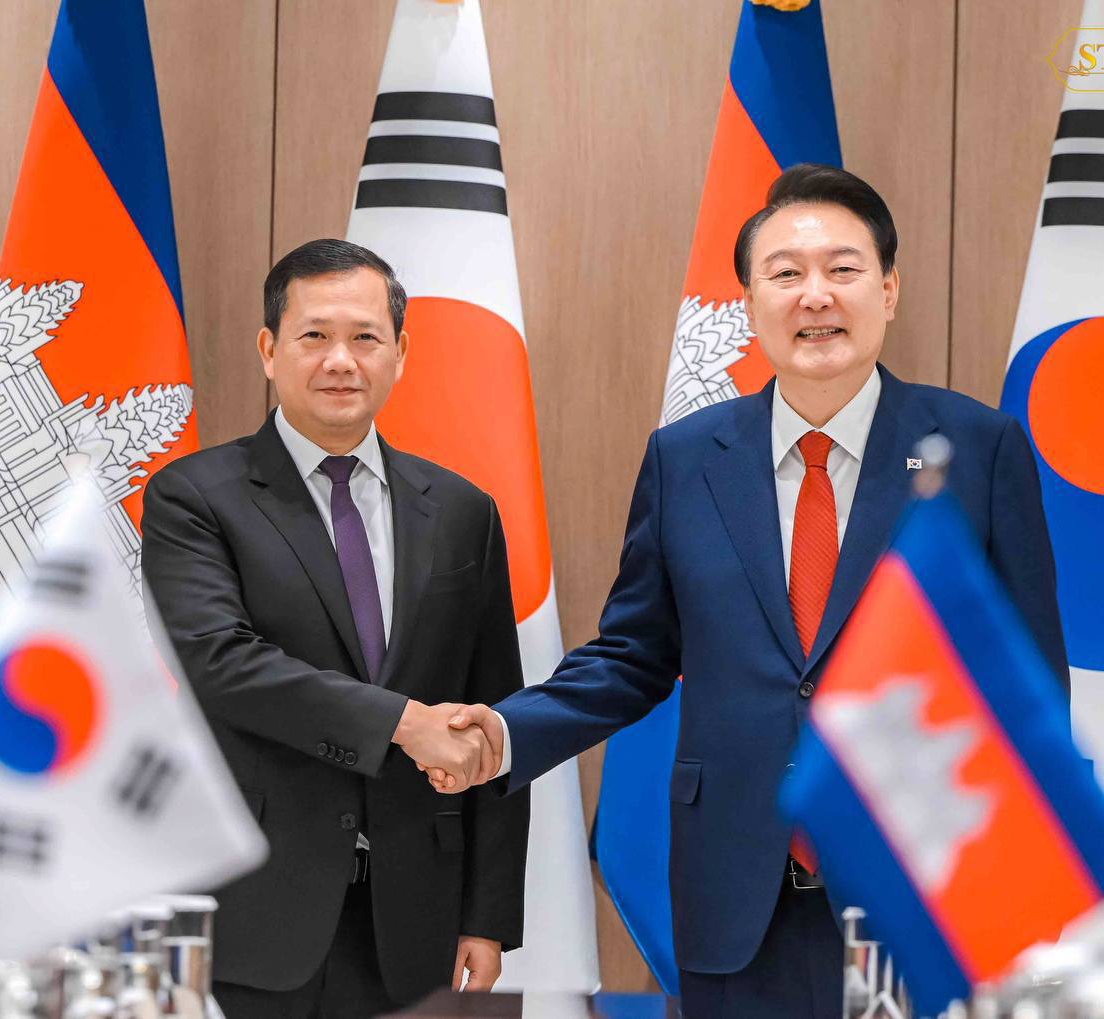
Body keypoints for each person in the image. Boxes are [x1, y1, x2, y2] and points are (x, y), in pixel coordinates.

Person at [427, 164, 1068, 1019]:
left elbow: (1028, 687)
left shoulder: (976, 452)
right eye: (785, 272)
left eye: (843, 269)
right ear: (749, 300)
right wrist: (506, 732)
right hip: (735, 896)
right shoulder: (686, 458)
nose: (815, 295)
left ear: (889, 289)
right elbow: (633, 655)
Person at [140, 239, 528, 1018]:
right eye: (314, 335)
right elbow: (222, 663)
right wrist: (404, 722)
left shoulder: (463, 511)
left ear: (400, 352)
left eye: (365, 337)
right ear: (268, 349)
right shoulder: (195, 496)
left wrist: (487, 914)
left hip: (414, 921)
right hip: (256, 912)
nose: (340, 360)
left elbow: (494, 708)